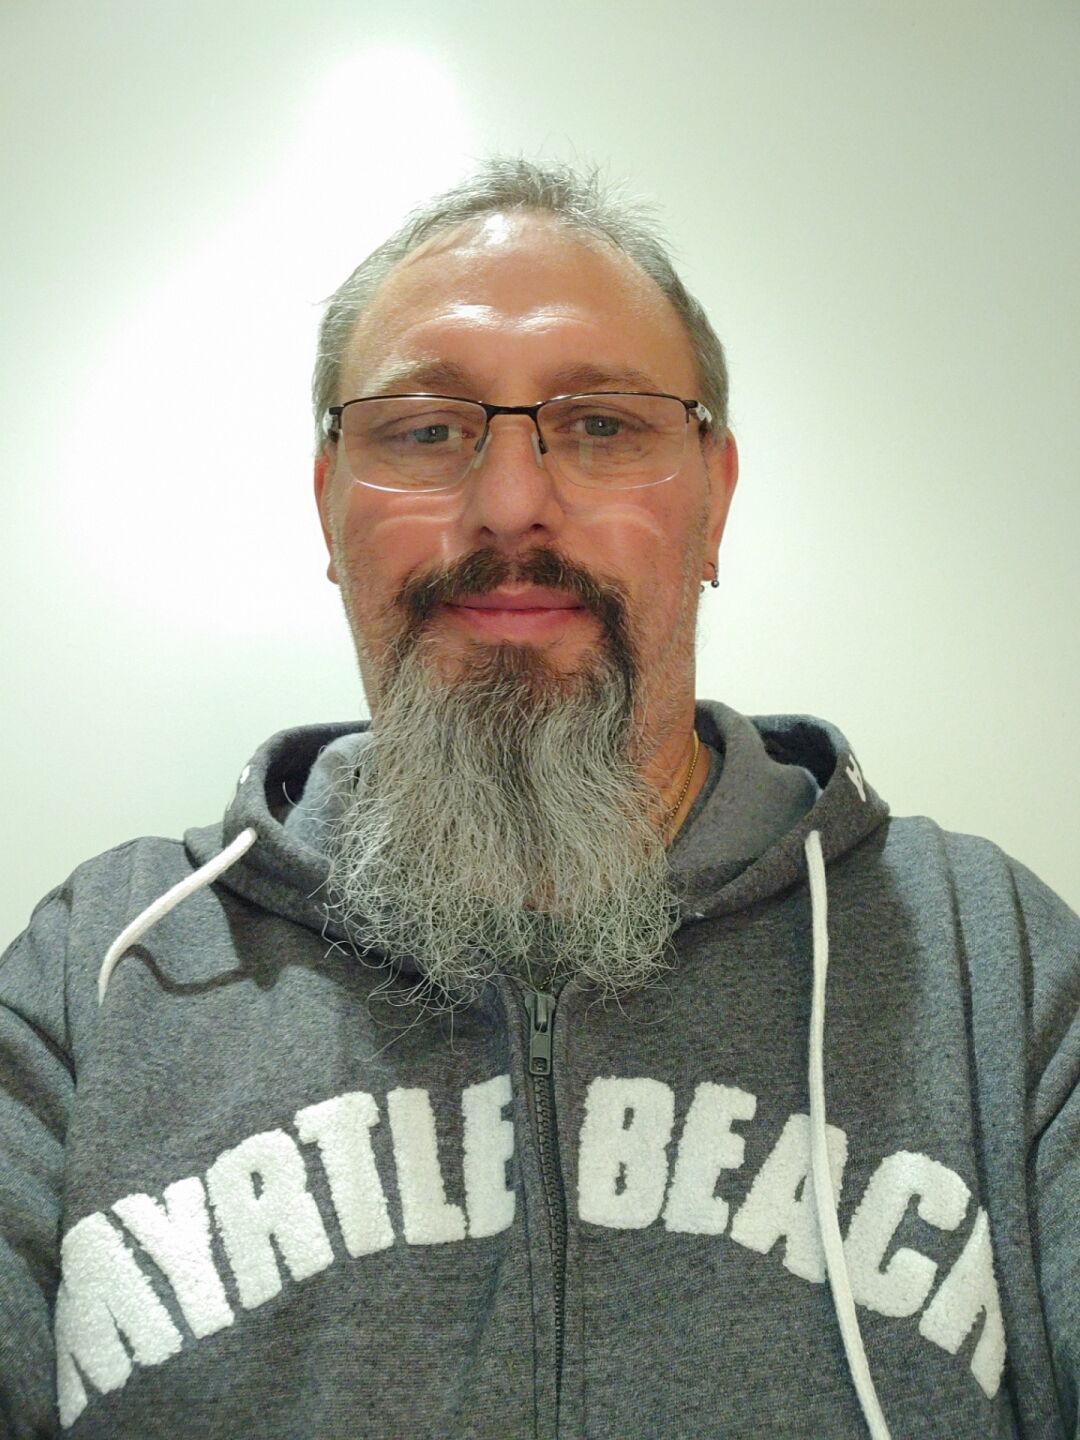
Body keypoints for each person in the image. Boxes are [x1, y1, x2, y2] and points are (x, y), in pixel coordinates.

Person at [1, 158, 1076, 1440]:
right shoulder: (101, 974)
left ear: (715, 502)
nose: (511, 505)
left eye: (603, 426)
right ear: (328, 508)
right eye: (425, 431)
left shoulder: (986, 962)